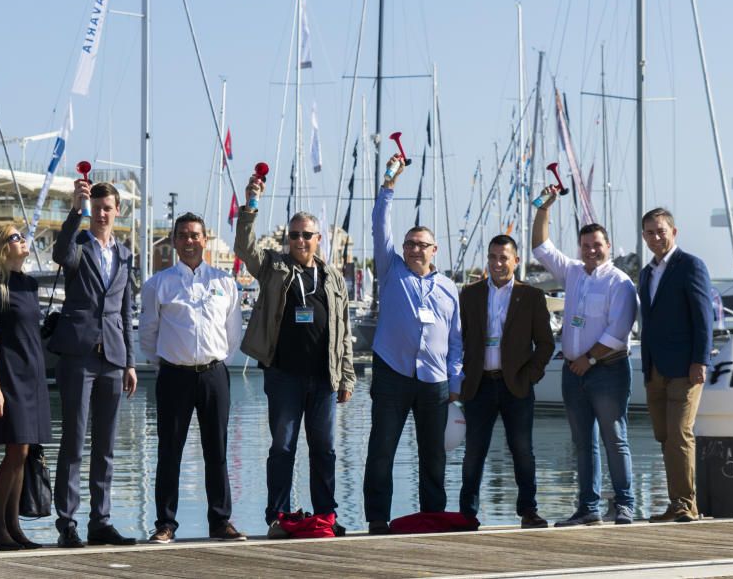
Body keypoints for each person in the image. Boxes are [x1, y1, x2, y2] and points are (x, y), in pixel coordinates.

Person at [234, 174, 355, 539]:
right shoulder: (273, 266)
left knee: (324, 449)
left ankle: (326, 517)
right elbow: (244, 246)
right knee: (282, 447)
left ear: (319, 240)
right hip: (284, 375)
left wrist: (346, 377)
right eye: (294, 234)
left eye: (307, 235)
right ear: (287, 239)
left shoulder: (333, 277)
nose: (300, 240)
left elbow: (344, 332)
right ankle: (278, 516)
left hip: (323, 378)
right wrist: (251, 204)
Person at [363, 154, 463, 533]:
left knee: (433, 455)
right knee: (381, 450)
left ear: (434, 250)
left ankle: (433, 517)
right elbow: (379, 226)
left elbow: (456, 341)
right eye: (409, 244)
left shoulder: (449, 288)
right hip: (393, 372)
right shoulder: (391, 272)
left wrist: (455, 382)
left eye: (421, 245)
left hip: (434, 381)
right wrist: (389, 184)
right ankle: (377, 519)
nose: (414, 249)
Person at [531, 185, 638, 526]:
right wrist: (544, 208)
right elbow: (540, 246)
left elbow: (617, 332)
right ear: (581, 248)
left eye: (598, 245)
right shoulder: (573, 272)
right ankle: (588, 508)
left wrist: (587, 359)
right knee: (582, 443)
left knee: (615, 438)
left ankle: (625, 504)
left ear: (608, 247)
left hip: (607, 370)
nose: (592, 250)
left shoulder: (621, 283)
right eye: (586, 245)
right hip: (573, 374)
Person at [140, 213, 247, 544]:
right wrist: (168, 362)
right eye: (183, 235)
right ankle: (165, 523)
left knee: (217, 450)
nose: (189, 241)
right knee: (169, 450)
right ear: (174, 241)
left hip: (214, 373)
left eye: (195, 235)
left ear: (205, 240)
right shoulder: (158, 284)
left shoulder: (225, 283)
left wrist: (214, 361)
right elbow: (148, 334)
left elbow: (233, 334)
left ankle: (220, 521)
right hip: (174, 374)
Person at [48, 179, 137, 547]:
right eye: (96, 207)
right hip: (78, 354)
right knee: (73, 441)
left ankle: (100, 521)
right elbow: (59, 254)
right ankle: (67, 521)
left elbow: (126, 308)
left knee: (106, 444)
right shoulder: (78, 246)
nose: (102, 213)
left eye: (107, 208)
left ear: (117, 211)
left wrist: (131, 362)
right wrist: (75, 211)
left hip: (113, 357)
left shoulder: (125, 254)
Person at [458, 235, 555, 528]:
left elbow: (546, 344)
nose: (498, 263)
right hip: (478, 384)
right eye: (492, 257)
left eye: (503, 257)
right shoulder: (470, 294)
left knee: (522, 450)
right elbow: (457, 340)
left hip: (517, 386)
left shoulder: (532, 297)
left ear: (515, 260)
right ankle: (467, 514)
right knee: (474, 451)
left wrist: (530, 376)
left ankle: (528, 510)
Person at [0, 224, 53, 550]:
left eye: (22, 236)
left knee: (24, 453)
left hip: (34, 375)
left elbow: (27, 330)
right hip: (10, 377)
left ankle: (13, 526)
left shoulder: (29, 284)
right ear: (1, 247)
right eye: (15, 237)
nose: (23, 241)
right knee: (16, 451)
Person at [639, 208, 712, 523]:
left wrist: (700, 360)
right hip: (655, 368)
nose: (656, 237)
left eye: (661, 231)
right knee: (664, 435)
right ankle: (676, 503)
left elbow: (703, 317)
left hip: (686, 367)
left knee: (680, 433)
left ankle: (686, 505)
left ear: (674, 231)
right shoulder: (646, 273)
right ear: (644, 237)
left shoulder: (690, 266)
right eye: (650, 233)